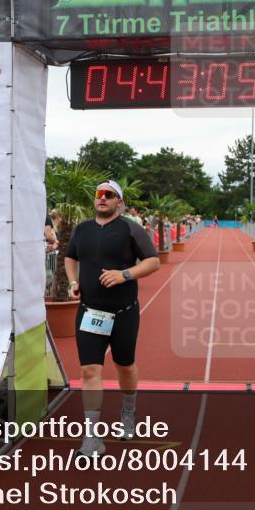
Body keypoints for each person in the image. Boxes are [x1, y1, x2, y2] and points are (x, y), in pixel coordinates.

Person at [64, 180, 160, 456]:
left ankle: (128, 413)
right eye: (99, 194)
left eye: (109, 195)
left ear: (119, 202)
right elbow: (70, 257)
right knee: (89, 371)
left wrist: (124, 275)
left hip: (123, 312)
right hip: (90, 311)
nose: (102, 198)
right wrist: (73, 282)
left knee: (125, 366)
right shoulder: (82, 230)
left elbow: (152, 261)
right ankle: (91, 437)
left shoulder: (131, 228)